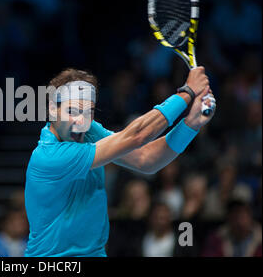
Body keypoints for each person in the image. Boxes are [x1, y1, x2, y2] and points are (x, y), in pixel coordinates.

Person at [24, 67, 215, 257]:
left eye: (88, 112)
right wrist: (187, 93)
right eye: (72, 111)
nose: (80, 121)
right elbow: (137, 136)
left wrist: (191, 124)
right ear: (52, 109)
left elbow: (146, 159)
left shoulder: (89, 131)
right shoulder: (49, 157)